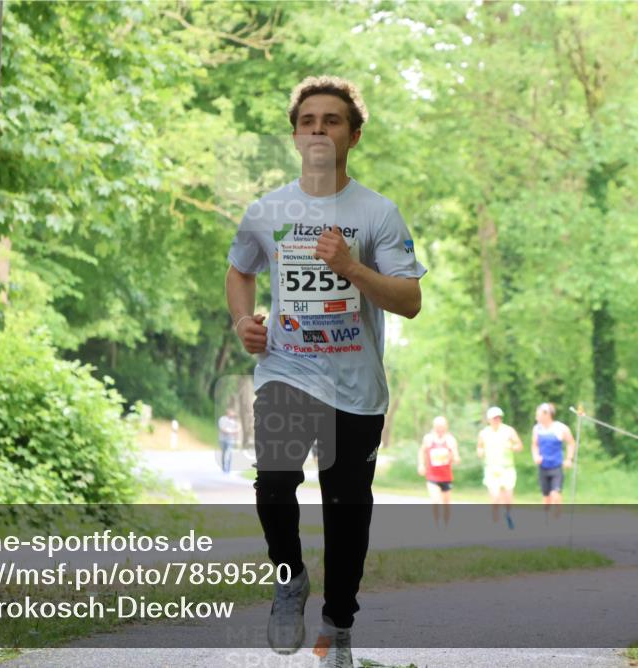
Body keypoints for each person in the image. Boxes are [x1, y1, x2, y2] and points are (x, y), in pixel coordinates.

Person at [225, 75, 426, 668]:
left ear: (353, 135)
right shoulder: (267, 210)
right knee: (273, 483)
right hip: (286, 370)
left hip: (356, 387)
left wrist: (352, 267)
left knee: (347, 510)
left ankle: (338, 624)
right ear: (294, 135)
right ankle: (289, 579)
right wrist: (243, 323)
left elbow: (409, 300)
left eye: (332, 120)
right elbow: (240, 270)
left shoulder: (377, 213)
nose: (319, 128)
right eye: (308, 120)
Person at [476, 406, 522, 529]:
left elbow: (519, 445)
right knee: (495, 496)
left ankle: (508, 516)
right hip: (491, 468)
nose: (497, 420)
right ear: (489, 419)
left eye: (499, 418)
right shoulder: (484, 433)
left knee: (507, 497)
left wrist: (512, 447)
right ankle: (495, 519)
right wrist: (480, 452)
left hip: (507, 468)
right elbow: (479, 447)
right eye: (494, 418)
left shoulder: (508, 431)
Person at [531, 402, 576, 518]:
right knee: (546, 497)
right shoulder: (537, 429)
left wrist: (569, 459)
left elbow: (571, 443)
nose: (536, 416)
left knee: (555, 494)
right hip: (543, 466)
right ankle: (546, 520)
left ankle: (557, 518)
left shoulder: (560, 428)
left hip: (556, 466)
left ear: (547, 415)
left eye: (539, 414)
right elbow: (534, 445)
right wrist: (535, 456)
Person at [417, 416, 460, 527]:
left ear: (446, 427)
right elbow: (421, 452)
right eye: (437, 426)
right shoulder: (428, 439)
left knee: (446, 504)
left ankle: (446, 526)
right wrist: (421, 465)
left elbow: (456, 456)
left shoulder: (450, 440)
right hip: (432, 476)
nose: (440, 428)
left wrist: (455, 459)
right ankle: (436, 525)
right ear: (434, 426)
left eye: (442, 426)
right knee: (435, 501)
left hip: (446, 477)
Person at [217, 408, 241, 474]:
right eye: (231, 413)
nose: (232, 415)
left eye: (233, 413)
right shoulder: (222, 419)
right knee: (224, 453)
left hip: (230, 440)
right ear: (228, 413)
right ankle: (224, 467)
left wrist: (235, 434)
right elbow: (223, 429)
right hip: (222, 439)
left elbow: (238, 428)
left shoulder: (234, 421)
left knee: (229, 453)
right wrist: (233, 432)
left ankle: (228, 468)